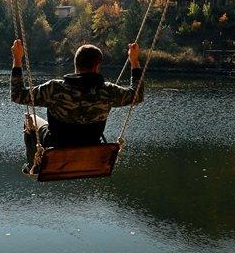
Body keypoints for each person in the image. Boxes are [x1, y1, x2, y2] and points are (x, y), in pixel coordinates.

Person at [10, 38, 144, 174]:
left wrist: (17, 60)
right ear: (97, 67)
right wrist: (134, 61)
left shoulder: (55, 88)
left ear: (75, 65)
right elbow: (136, 96)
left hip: (56, 147)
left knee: (30, 119)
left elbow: (18, 95)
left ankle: (33, 165)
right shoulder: (108, 91)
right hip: (91, 148)